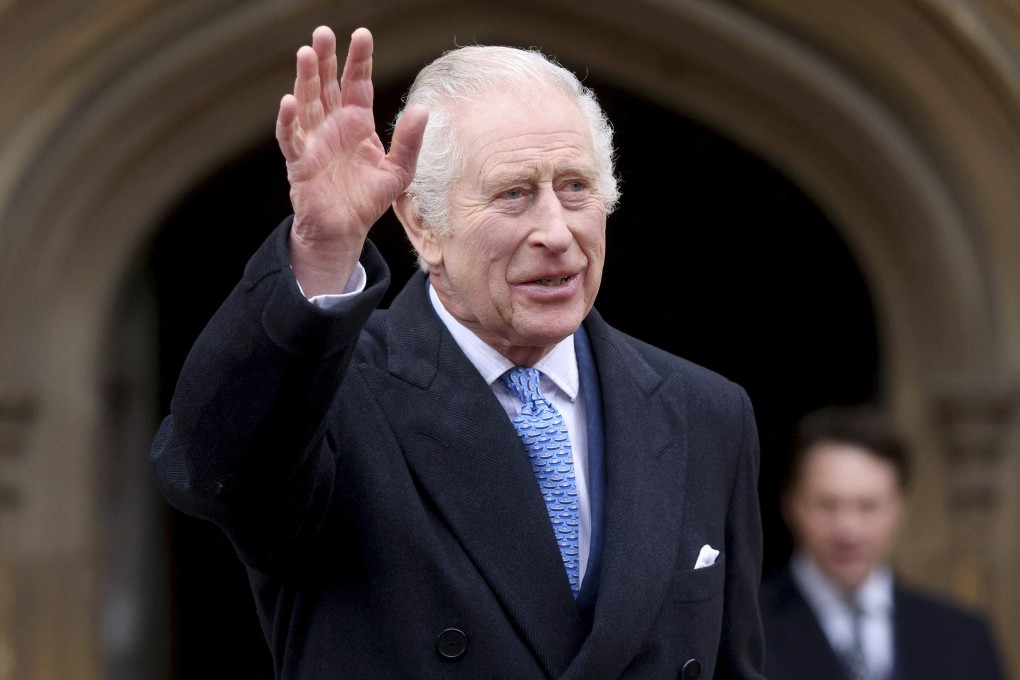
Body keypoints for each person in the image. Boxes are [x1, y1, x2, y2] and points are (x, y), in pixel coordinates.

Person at [151, 25, 766, 679]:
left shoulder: (707, 413)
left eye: (576, 188)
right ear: (422, 223)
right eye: (514, 194)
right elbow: (212, 469)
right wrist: (324, 248)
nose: (556, 233)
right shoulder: (332, 399)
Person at [760, 405, 1007, 680]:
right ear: (791, 505)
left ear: (901, 509)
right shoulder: (744, 633)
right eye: (827, 505)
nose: (847, 530)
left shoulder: (963, 637)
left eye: (868, 506)